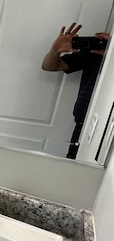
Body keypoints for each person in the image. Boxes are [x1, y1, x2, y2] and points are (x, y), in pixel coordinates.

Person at [42, 23, 110, 159]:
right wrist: (55, 50)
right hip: (83, 126)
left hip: (110, 130)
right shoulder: (93, 53)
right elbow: (49, 66)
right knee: (72, 172)